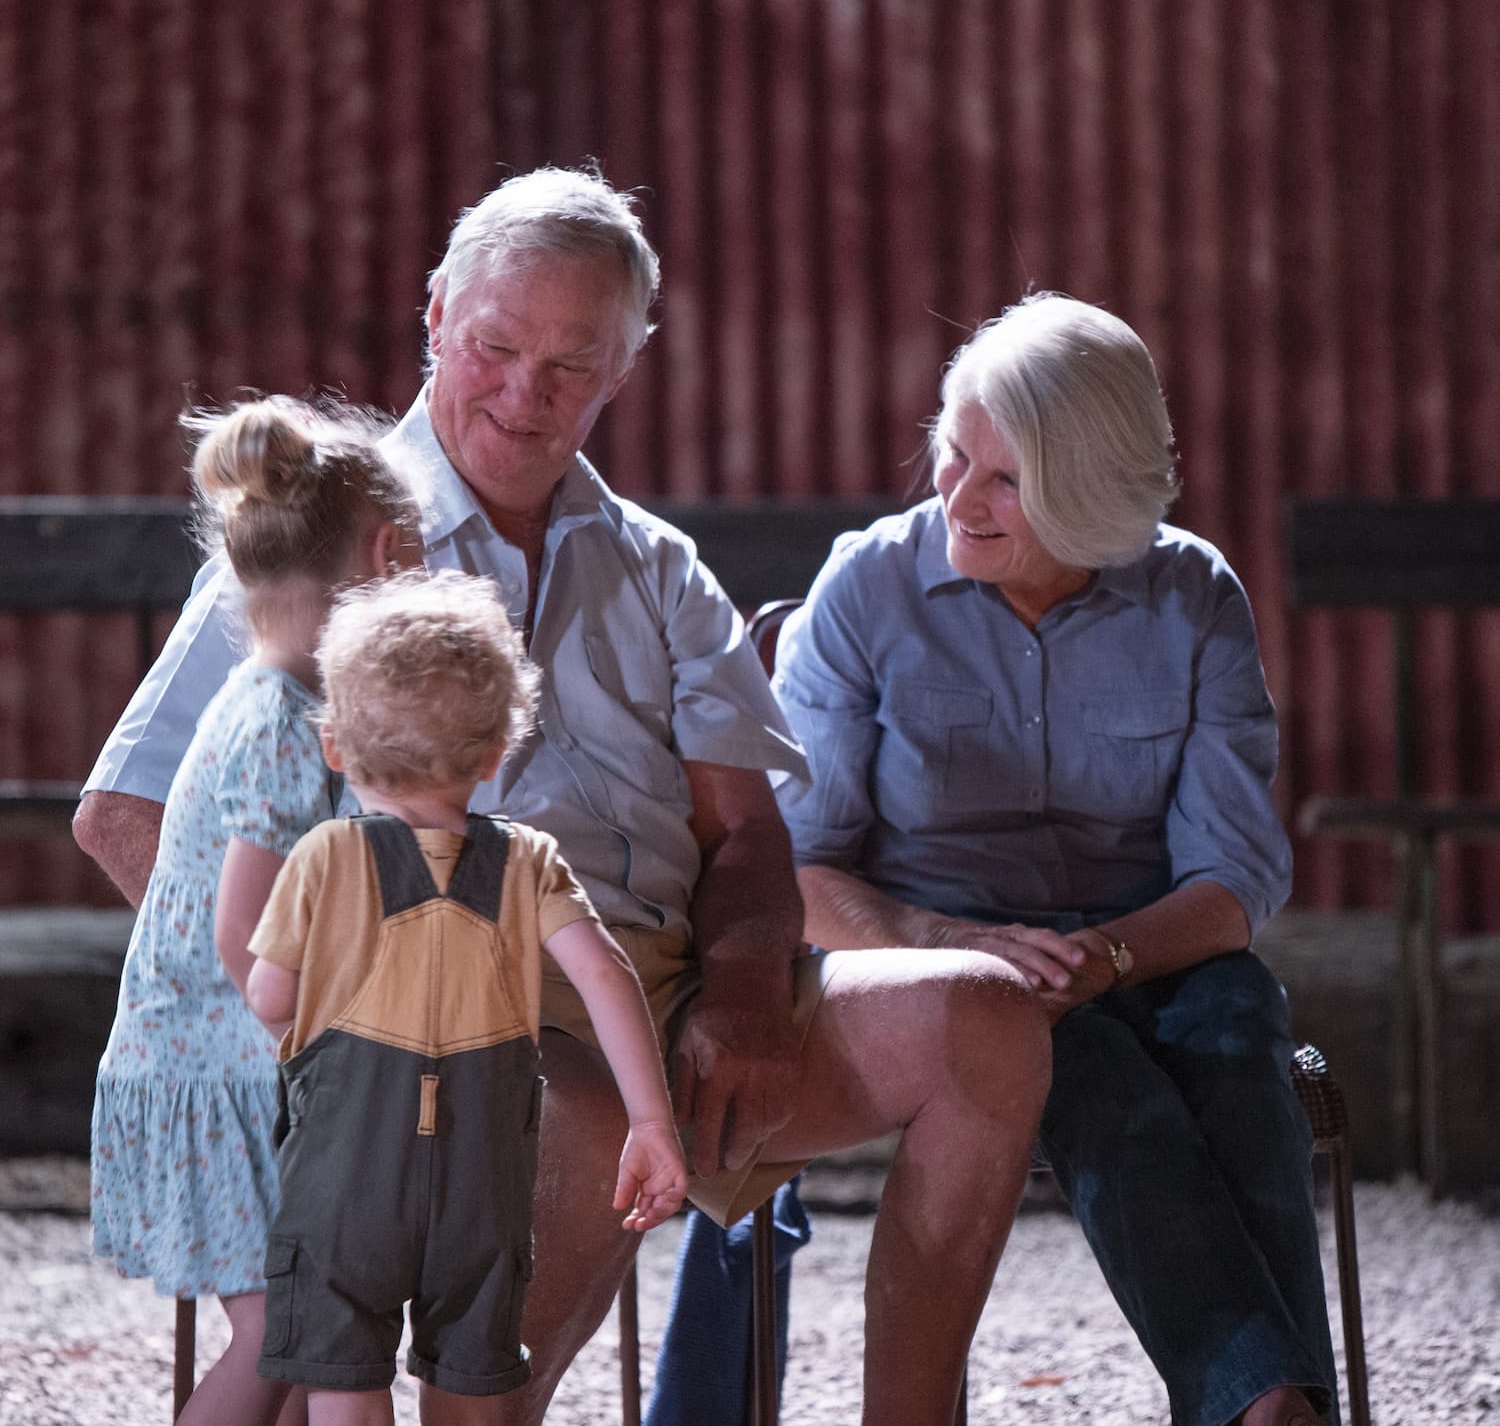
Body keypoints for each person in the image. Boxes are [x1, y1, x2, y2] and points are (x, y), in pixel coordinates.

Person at [74, 165, 1052, 1426]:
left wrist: (750, 984)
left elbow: (748, 835)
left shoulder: (658, 564)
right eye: (494, 347)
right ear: (435, 317)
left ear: (620, 371)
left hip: (667, 991)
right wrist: (320, 1029)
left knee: (985, 1021)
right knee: (565, 1109)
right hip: (443, 1008)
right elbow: (133, 814)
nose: (524, 396)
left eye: (570, 367)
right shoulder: (330, 537)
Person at [768, 293, 1340, 1426]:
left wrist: (1110, 955)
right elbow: (795, 877)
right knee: (1091, 1070)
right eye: (952, 453)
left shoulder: (1194, 596)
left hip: (1147, 946)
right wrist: (959, 948)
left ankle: (1263, 1403)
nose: (953, 496)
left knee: (1236, 1029)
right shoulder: (866, 591)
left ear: (1090, 497)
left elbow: (1233, 883)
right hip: (936, 970)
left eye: (1003, 482)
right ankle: (1273, 1406)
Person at [244, 571, 687, 1424]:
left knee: (345, 1382)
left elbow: (269, 994)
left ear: (335, 746)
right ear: (496, 755)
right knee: (469, 1383)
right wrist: (651, 1124)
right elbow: (605, 976)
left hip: (346, 1185)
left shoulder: (325, 859)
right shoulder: (528, 862)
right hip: (481, 1193)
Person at [89, 396, 420, 1426]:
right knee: (286, 1329)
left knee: (303, 1326)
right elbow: (246, 934)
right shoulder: (280, 717)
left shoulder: (271, 693)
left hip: (223, 1062)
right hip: (218, 1072)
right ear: (386, 553)